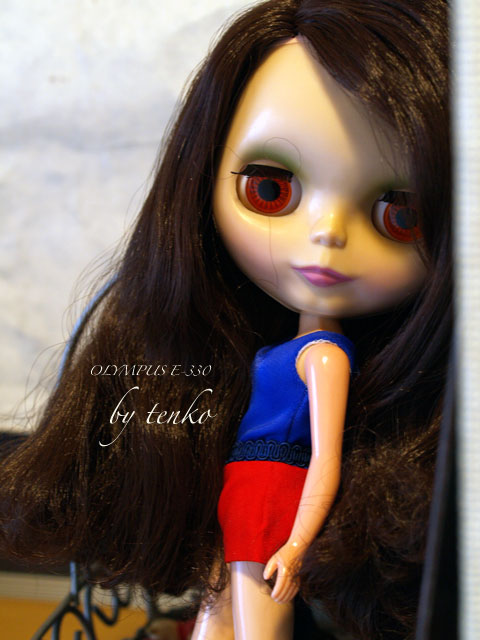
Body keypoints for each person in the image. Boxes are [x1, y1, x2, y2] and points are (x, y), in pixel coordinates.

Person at [0, 2, 451, 639]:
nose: (327, 234)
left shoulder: (326, 355)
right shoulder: (261, 343)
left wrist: (296, 543)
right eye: (272, 188)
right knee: (214, 621)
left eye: (399, 215)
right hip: (241, 487)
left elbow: (323, 461)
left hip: (277, 494)